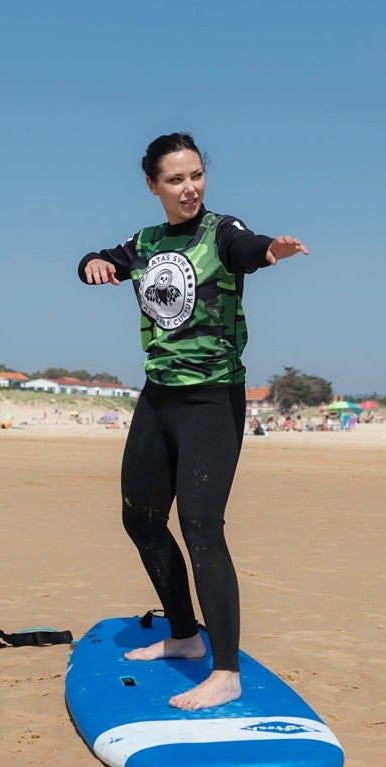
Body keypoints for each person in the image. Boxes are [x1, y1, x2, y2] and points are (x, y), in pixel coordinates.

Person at [77, 131, 308, 709]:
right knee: (142, 521)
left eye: (197, 175)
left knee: (203, 527)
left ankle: (224, 670)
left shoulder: (222, 231)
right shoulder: (147, 241)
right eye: (176, 179)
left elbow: (248, 248)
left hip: (211, 400)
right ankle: (183, 635)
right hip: (159, 397)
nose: (189, 188)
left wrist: (270, 251)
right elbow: (96, 258)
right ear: (153, 185)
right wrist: (97, 265)